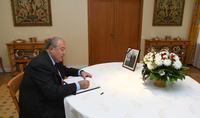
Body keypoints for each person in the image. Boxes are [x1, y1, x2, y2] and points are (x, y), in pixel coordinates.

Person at [19, 37, 92, 118]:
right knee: (76, 107)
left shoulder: (52, 58)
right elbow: (52, 92)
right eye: (62, 49)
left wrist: (80, 72)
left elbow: (64, 70)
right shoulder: (40, 64)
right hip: (39, 107)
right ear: (51, 49)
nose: (64, 53)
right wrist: (78, 85)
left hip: (46, 96)